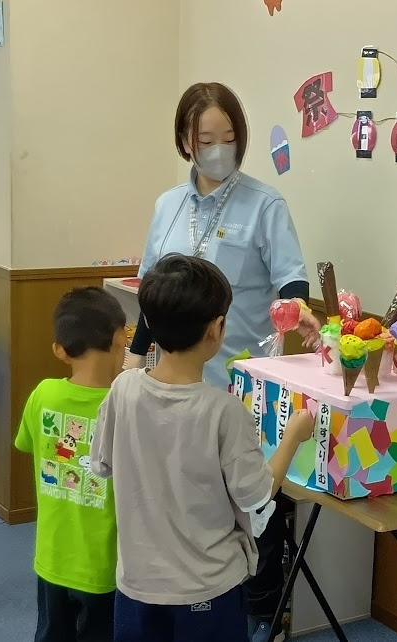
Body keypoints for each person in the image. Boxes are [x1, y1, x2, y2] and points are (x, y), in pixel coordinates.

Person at [125, 82, 320, 641]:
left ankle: (261, 611)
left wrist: (296, 307)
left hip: (240, 380)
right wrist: (135, 360)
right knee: (184, 501)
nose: (218, 149)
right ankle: (182, 600)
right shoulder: (168, 204)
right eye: (205, 138)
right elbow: (151, 292)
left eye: (229, 138)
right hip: (170, 381)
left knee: (254, 500)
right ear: (185, 140)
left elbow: (291, 280)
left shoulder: (265, 203)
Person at [91, 253, 315, 642]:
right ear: (218, 328)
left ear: (146, 322)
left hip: (136, 584)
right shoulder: (225, 412)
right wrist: (294, 434)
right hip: (208, 590)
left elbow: (101, 464)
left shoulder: (122, 389)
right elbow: (257, 494)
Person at [15, 287, 127, 642]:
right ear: (121, 338)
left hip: (51, 557)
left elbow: (26, 443)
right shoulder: (126, 406)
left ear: (60, 350)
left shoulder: (43, 394)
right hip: (106, 565)